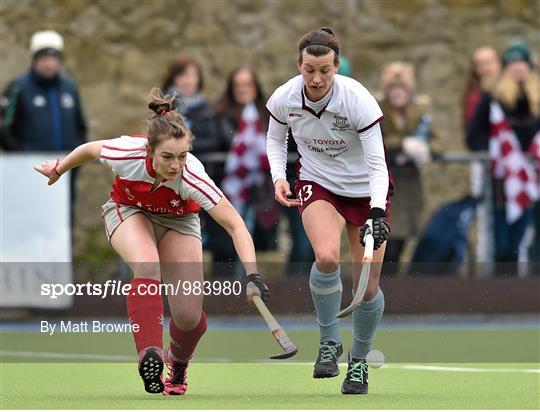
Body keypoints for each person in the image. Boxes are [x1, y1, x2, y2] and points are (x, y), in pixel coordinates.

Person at [34, 88, 269, 396]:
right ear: (149, 151)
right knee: (147, 264)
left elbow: (235, 225)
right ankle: (150, 354)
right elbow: (90, 149)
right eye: (167, 157)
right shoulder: (127, 153)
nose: (175, 165)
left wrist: (252, 275)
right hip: (128, 210)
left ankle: (178, 362)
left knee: (187, 315)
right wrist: (58, 169)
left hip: (179, 222)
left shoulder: (192, 176)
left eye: (182, 156)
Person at [266, 27, 392, 395]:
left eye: (324, 70)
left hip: (367, 191)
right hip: (319, 181)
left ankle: (359, 362)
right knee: (325, 257)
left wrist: (378, 212)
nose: (316, 78)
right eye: (309, 70)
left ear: (337, 67)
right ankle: (328, 342)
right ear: (299, 65)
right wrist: (278, 177)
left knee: (367, 286)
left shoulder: (358, 100)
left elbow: (378, 163)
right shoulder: (284, 97)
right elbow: (276, 138)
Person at [1, 30, 87, 227]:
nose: (49, 63)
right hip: (31, 173)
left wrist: (76, 159)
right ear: (34, 59)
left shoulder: (69, 88)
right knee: (30, 219)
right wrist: (23, 158)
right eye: (44, 57)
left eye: (54, 57)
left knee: (63, 221)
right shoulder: (18, 87)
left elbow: (80, 126)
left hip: (65, 170)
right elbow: (4, 128)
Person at [467, 41, 540, 265]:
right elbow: (473, 136)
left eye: (522, 64)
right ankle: (499, 288)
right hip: (502, 179)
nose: (518, 68)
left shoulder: (537, 98)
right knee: (501, 239)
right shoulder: (492, 97)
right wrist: (498, 153)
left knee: (526, 238)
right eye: (513, 64)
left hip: (532, 177)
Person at [210, 67, 280, 272]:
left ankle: (246, 284)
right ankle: (225, 291)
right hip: (227, 187)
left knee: (248, 235)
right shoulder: (219, 114)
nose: (243, 90)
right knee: (224, 241)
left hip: (258, 189)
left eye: (247, 84)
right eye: (238, 85)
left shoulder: (267, 115)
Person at [378, 62, 435, 265]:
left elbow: (438, 140)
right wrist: (402, 144)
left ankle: (391, 286)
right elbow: (376, 139)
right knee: (387, 238)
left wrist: (425, 147)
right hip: (386, 181)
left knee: (401, 239)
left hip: (409, 183)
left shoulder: (418, 112)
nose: (397, 93)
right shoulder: (378, 109)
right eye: (392, 89)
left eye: (401, 89)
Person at [161, 56, 218, 157]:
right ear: (173, 78)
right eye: (183, 75)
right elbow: (156, 137)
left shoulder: (207, 108)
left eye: (193, 76)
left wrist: (183, 145)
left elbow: (213, 141)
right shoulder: (163, 106)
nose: (188, 81)